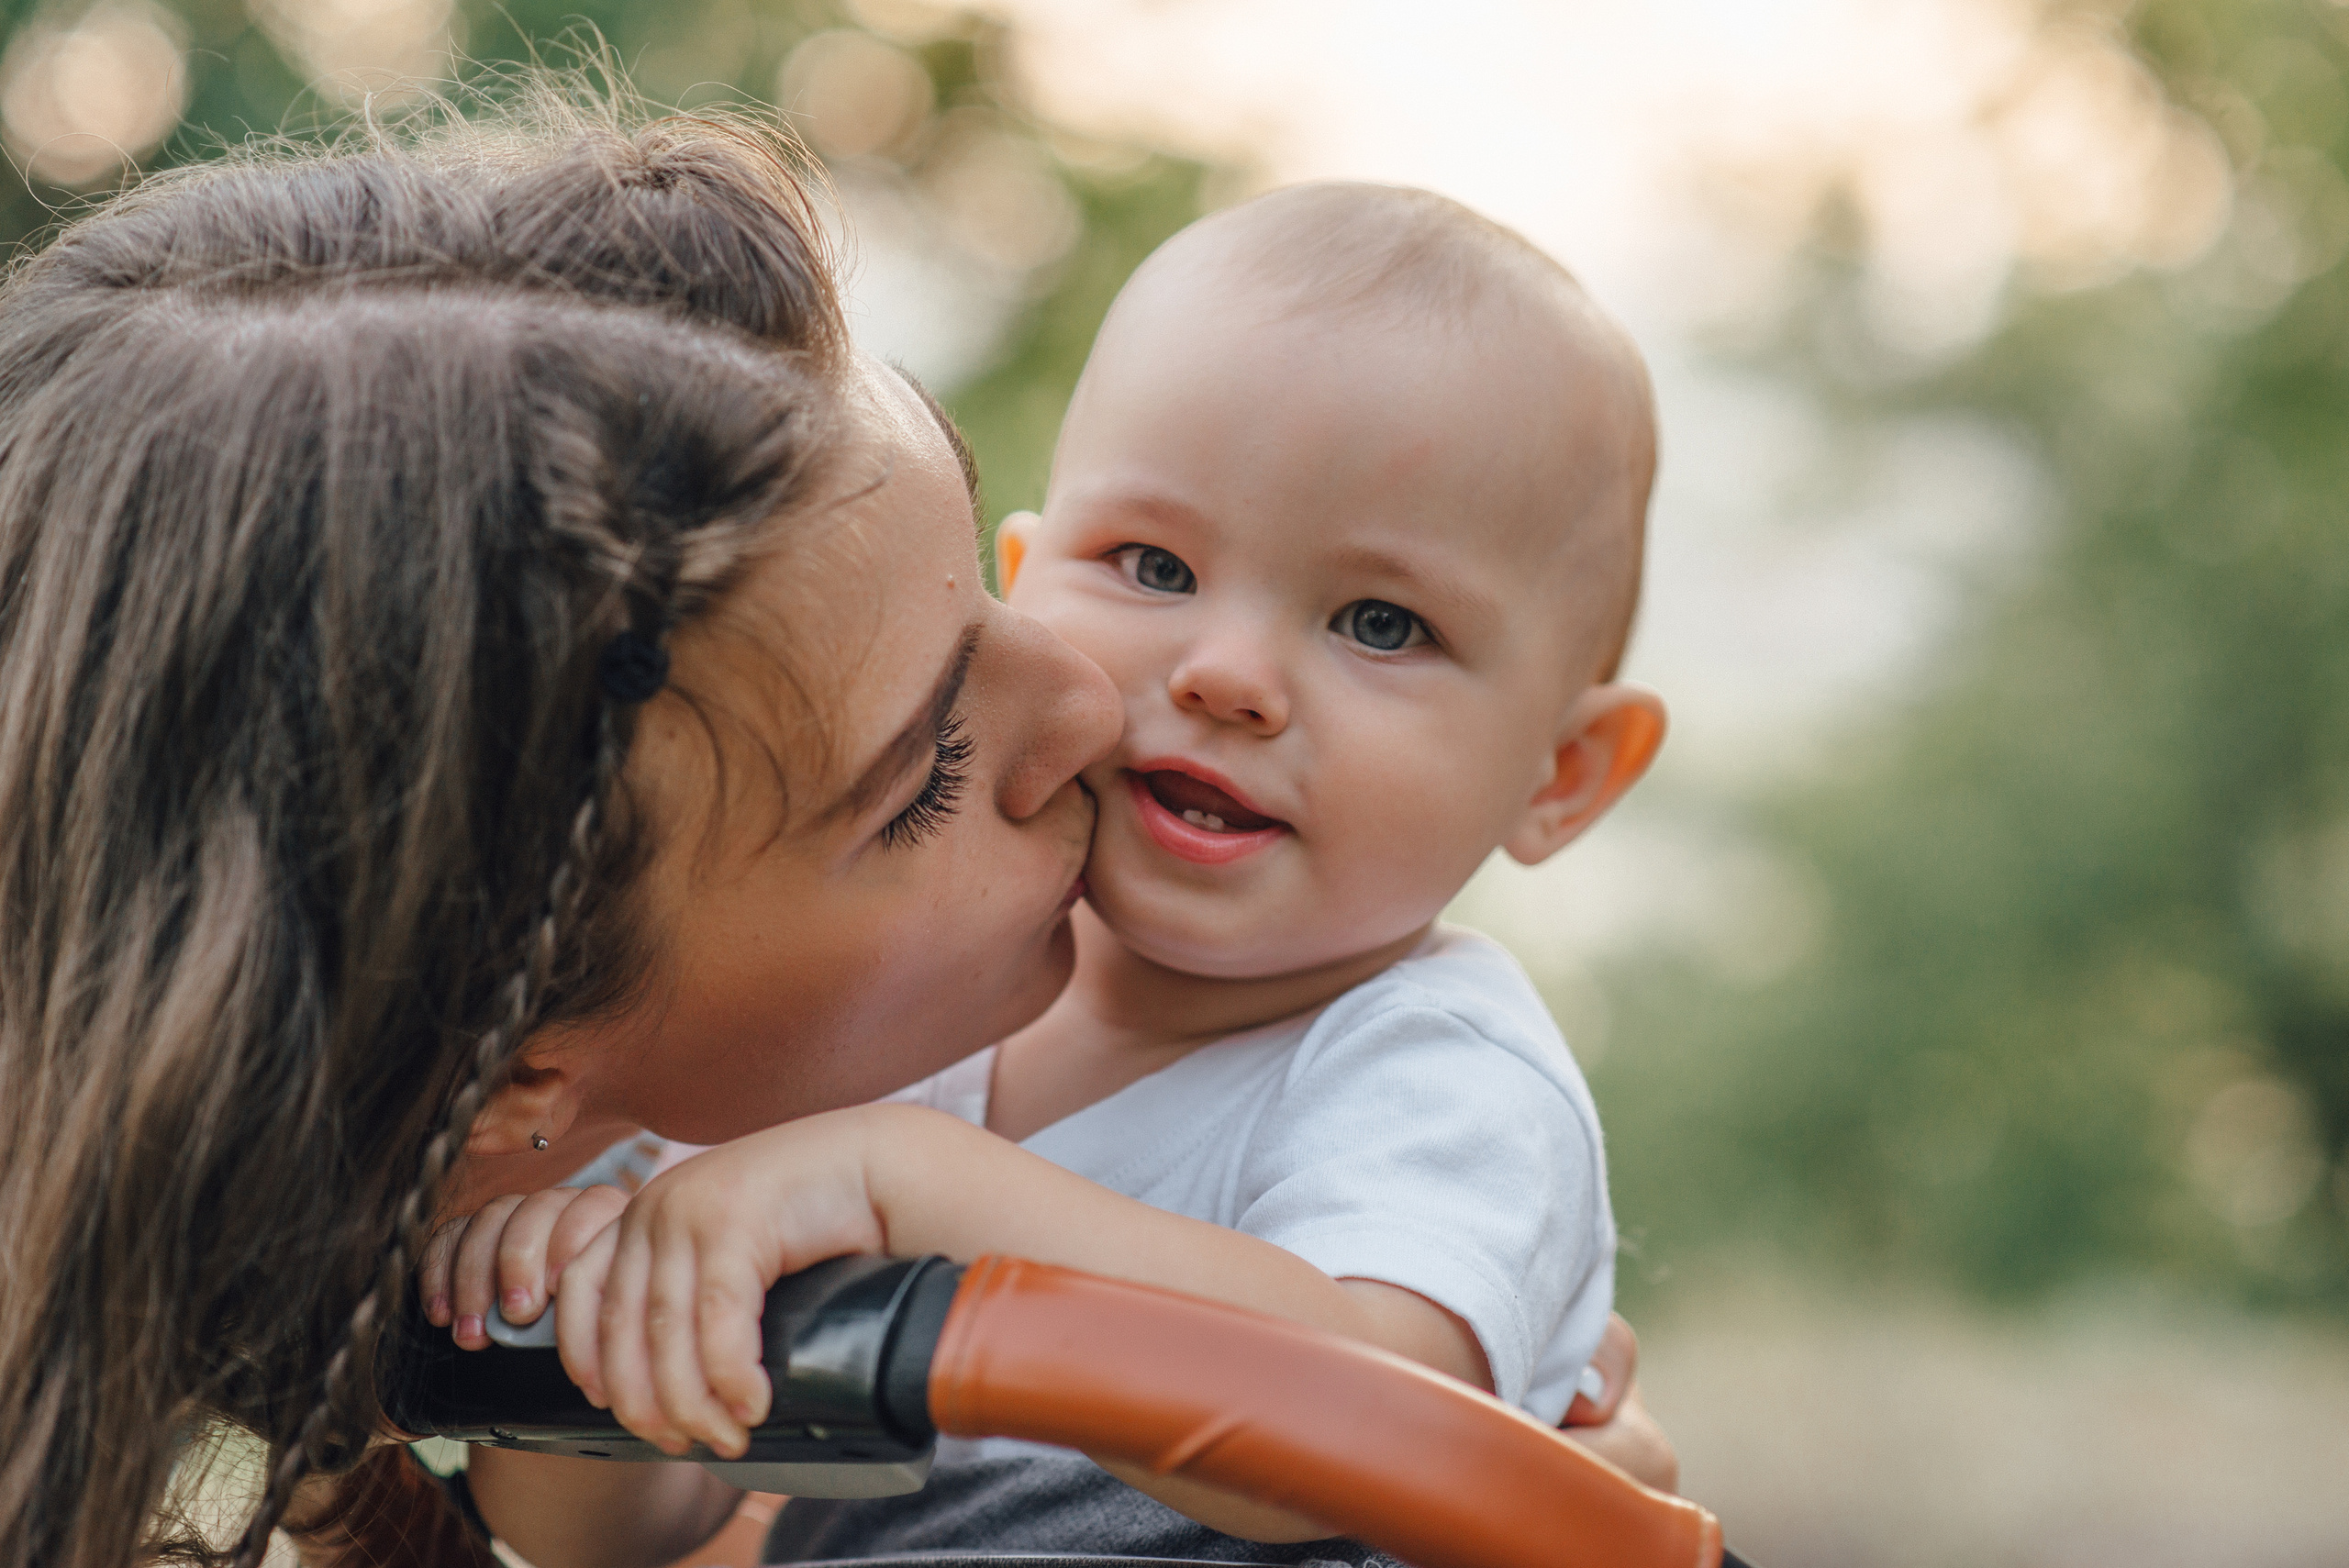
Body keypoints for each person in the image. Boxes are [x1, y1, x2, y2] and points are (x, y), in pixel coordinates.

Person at [436, 182, 1668, 1562]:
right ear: (1020, 585)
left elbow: (1365, 1434)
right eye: (1155, 564)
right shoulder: (897, 1022)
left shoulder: (1438, 1071)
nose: (1227, 674)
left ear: (1563, 774)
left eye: (1381, 623)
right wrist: (581, 1330)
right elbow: (623, 1537)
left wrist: (909, 1184)